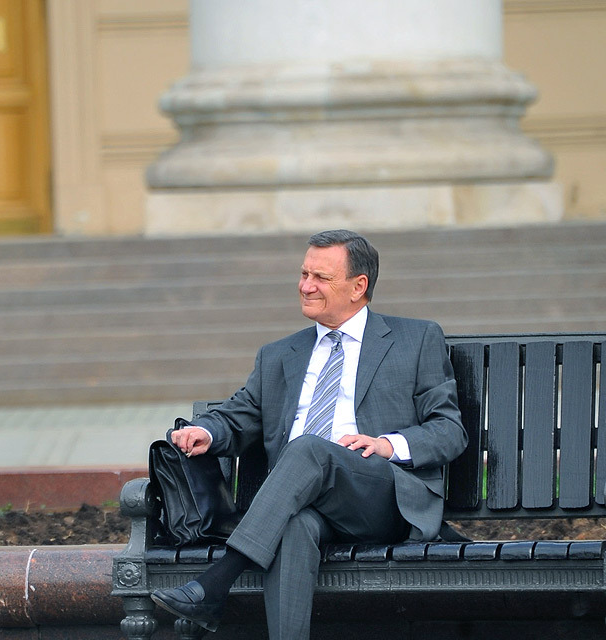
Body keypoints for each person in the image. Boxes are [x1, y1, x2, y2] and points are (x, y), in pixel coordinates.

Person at [150, 230, 468, 639]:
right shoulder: (279, 355)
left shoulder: (415, 339)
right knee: (296, 524)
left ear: (359, 287)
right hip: (303, 500)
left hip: (381, 497)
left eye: (320, 277)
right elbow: (239, 414)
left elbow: (448, 430)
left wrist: (387, 445)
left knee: (310, 451)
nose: (305, 286)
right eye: (303, 274)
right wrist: (207, 432)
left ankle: (217, 581)